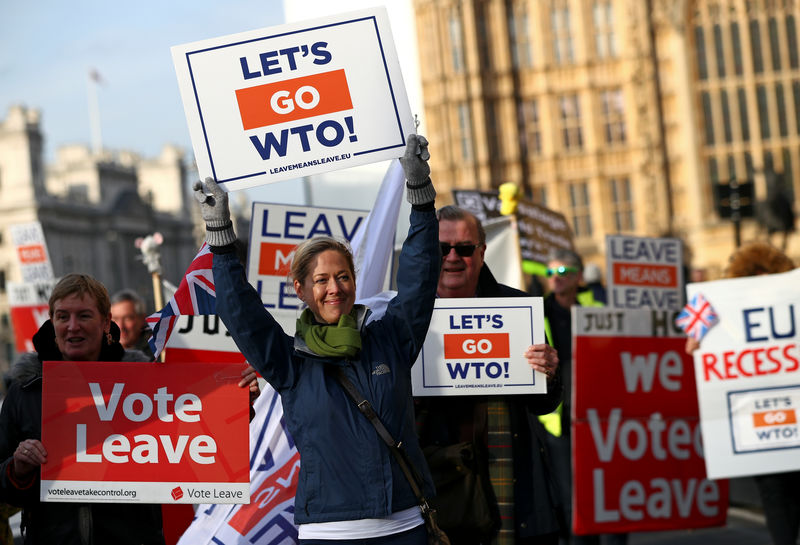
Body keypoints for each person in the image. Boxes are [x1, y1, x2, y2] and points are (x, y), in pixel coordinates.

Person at [194, 134, 440, 544]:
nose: (334, 289)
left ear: (354, 283)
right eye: (321, 280)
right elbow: (243, 315)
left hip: (406, 525)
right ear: (300, 290)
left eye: (343, 277)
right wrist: (220, 234)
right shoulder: (290, 362)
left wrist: (420, 195)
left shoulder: (391, 339)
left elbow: (419, 279)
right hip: (329, 531)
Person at [416, 205, 563, 545]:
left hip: (512, 487)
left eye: (464, 249)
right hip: (440, 486)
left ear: (481, 253)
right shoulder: (403, 317)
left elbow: (544, 404)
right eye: (442, 249)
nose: (453, 257)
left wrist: (550, 373)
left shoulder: (517, 308)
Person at [0, 273, 166, 544]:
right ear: (52, 321)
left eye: (84, 316)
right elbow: (4, 489)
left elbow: (199, 442)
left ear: (105, 322)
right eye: (63, 316)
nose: (72, 326)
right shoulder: (25, 391)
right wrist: (17, 469)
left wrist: (242, 400)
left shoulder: (146, 385)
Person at [685, 241, 800, 545]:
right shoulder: (724, 313)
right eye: (755, 277)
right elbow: (703, 350)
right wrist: (697, 347)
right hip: (760, 427)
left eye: (769, 277)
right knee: (777, 504)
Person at [537, 249, 623, 545]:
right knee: (572, 500)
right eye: (550, 273)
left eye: (561, 273)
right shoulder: (537, 311)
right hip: (560, 422)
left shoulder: (598, 308)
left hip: (599, 416)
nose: (555, 280)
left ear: (578, 276)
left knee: (608, 493)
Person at [110, 289, 155, 360]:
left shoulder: (159, 353)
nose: (120, 326)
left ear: (142, 319)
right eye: (115, 319)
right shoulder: (97, 353)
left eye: (127, 318)